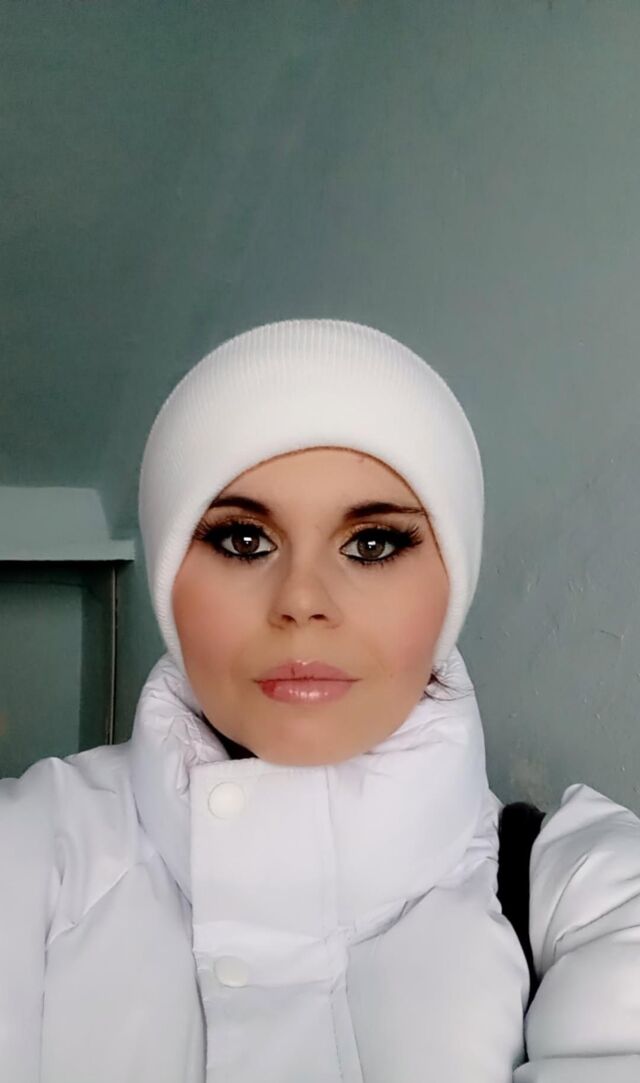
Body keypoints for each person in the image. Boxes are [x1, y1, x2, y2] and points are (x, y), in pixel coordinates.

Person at [1, 319, 639, 1082]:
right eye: (244, 540)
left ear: (454, 582)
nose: (302, 599)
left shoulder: (594, 894)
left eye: (372, 543)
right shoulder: (30, 849)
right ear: (167, 579)